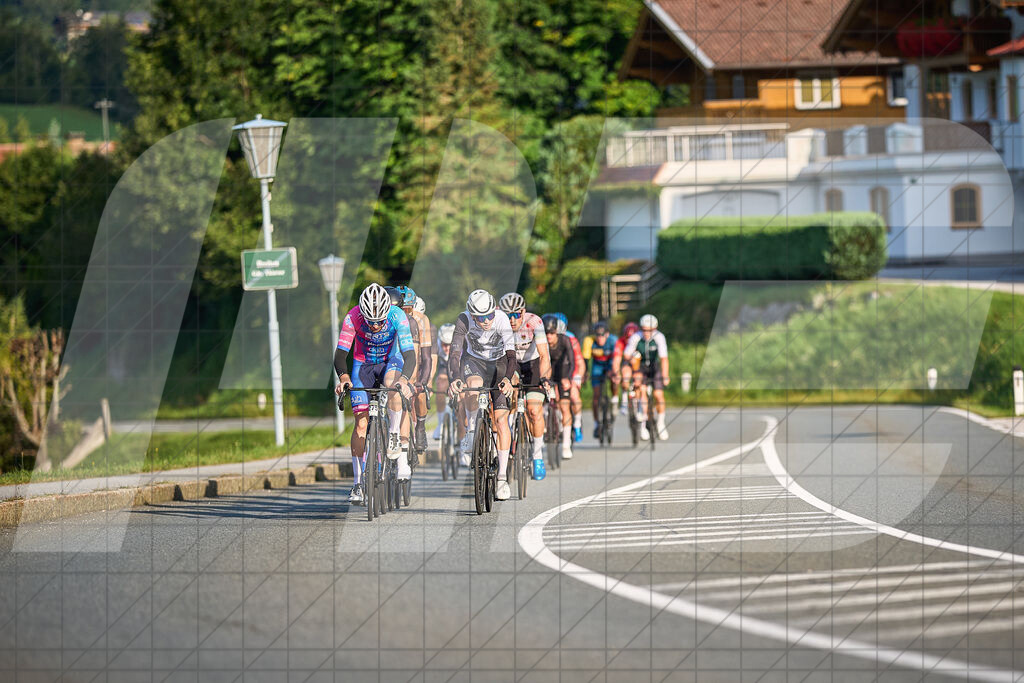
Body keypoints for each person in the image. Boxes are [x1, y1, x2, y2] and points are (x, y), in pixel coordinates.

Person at [334, 283, 416, 505]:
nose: (376, 325)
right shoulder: (352, 318)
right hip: (363, 365)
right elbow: (341, 355)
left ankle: (393, 435)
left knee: (393, 385)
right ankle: (358, 483)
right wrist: (344, 379)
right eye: (371, 322)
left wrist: (404, 380)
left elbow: (410, 355)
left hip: (392, 361)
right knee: (361, 424)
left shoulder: (398, 316)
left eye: (380, 321)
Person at [447, 290, 517, 500]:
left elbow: (512, 355)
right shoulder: (463, 320)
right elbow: (455, 353)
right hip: (474, 362)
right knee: (473, 386)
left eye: (489, 315)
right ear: (471, 314)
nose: (486, 321)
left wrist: (508, 379)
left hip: (499, 365)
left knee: (501, 420)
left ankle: (502, 478)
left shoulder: (502, 318)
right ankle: (470, 432)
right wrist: (454, 378)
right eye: (480, 317)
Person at [499, 292, 550, 480]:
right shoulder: (499, 322)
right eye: (508, 315)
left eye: (516, 314)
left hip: (533, 364)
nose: (512, 320)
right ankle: (510, 437)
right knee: (508, 400)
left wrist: (544, 378)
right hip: (511, 364)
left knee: (534, 410)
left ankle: (537, 456)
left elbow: (544, 355)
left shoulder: (534, 322)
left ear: (523, 311)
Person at [396, 286, 433, 453]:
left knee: (420, 393)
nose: (405, 313)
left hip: (415, 364)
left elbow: (426, 357)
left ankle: (420, 427)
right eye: (400, 309)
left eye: (408, 309)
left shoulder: (420, 320)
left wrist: (422, 382)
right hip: (396, 365)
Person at [622, 314, 670, 441]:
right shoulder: (636, 337)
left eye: (650, 330)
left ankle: (661, 424)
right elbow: (626, 355)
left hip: (654, 367)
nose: (647, 333)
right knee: (642, 392)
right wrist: (634, 360)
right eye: (644, 330)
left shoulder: (659, 337)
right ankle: (643, 426)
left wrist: (665, 375)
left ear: (655, 329)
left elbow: (664, 359)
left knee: (659, 395)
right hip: (641, 366)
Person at [542, 314, 576, 460]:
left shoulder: (565, 340)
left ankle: (566, 445)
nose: (549, 337)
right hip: (548, 371)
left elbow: (572, 361)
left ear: (557, 332)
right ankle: (545, 428)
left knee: (565, 406)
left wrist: (567, 378)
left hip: (563, 371)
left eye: (552, 333)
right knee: (541, 403)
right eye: (546, 333)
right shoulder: (540, 342)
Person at [582, 321, 618, 439]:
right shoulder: (589, 341)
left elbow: (617, 358)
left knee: (614, 379)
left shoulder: (613, 341)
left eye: (602, 335)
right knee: (596, 395)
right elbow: (586, 359)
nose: (599, 338)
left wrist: (613, 372)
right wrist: (585, 373)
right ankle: (597, 423)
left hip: (610, 364)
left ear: (607, 334)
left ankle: (614, 399)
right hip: (597, 367)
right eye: (597, 335)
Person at [553, 313, 585, 443]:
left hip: (571, 369)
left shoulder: (571, 339)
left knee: (574, 395)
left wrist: (577, 377)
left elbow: (579, 361)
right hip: (556, 370)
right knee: (557, 399)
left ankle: (577, 423)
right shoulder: (547, 338)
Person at [431, 323, 455, 440]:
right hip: (443, 366)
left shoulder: (461, 344)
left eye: (450, 345)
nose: (447, 349)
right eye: (444, 345)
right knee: (440, 384)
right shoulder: (436, 346)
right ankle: (440, 424)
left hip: (457, 366)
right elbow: (432, 365)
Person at [611, 321, 638, 415]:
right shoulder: (620, 342)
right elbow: (616, 360)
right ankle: (624, 401)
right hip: (626, 363)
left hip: (639, 365)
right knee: (625, 376)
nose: (629, 340)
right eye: (627, 337)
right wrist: (616, 373)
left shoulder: (640, 340)